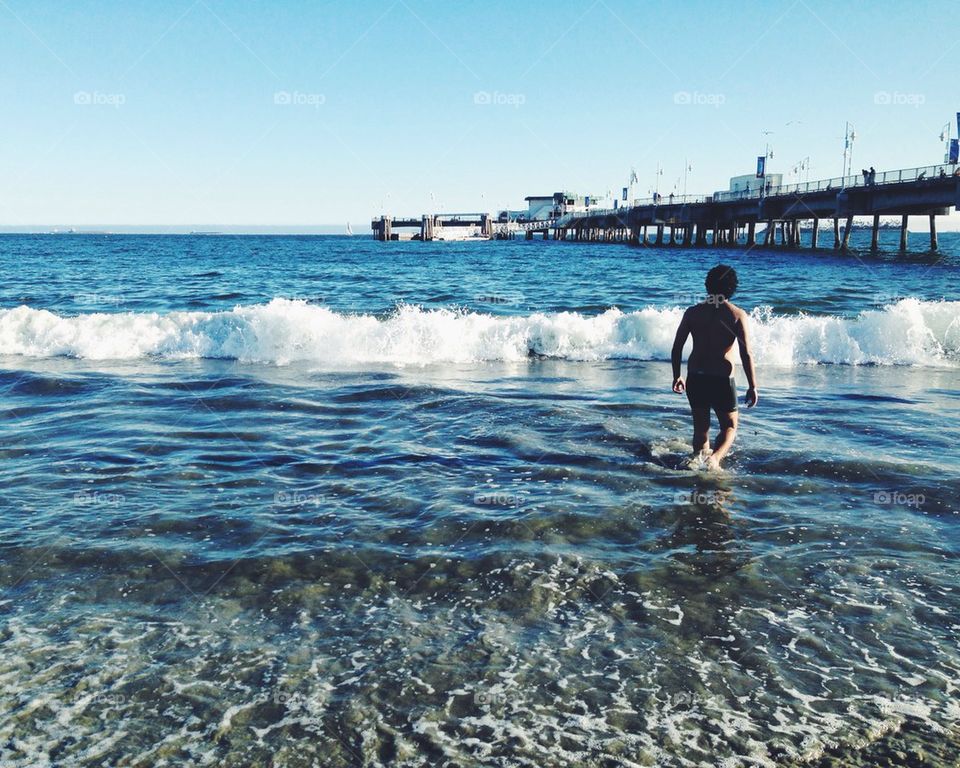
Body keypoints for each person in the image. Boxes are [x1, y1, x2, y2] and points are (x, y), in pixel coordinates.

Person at [671, 265, 758, 470]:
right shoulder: (736, 315)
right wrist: (752, 386)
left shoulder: (692, 312)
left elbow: (677, 347)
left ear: (707, 285)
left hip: (696, 376)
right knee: (729, 426)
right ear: (732, 288)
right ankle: (715, 459)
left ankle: (696, 467)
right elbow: (746, 353)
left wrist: (677, 375)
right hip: (722, 378)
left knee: (701, 429)